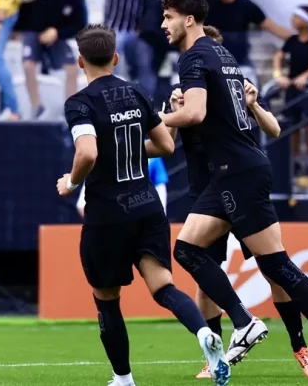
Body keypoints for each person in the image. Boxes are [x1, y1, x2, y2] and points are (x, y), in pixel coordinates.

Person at [160, 0, 308, 382]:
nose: (162, 25)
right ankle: (248, 323)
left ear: (187, 19)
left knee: (275, 266)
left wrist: (155, 120)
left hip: (238, 170)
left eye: (167, 17)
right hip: (233, 170)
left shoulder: (194, 56)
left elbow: (197, 113)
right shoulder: (223, 54)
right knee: (187, 249)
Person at [56, 24, 231, 386]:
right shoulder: (136, 92)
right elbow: (166, 145)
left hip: (107, 212)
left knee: (106, 297)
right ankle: (203, 334)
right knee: (164, 286)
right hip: (147, 206)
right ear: (116, 58)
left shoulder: (80, 103)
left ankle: (123, 378)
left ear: (80, 61)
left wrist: (71, 182)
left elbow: (86, 152)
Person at [170, 25, 308, 380]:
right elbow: (170, 140)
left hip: (240, 184)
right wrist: (171, 112)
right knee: (203, 274)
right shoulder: (187, 94)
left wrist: (254, 104)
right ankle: (216, 357)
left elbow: (274, 129)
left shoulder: (236, 94)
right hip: (206, 192)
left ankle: (301, 347)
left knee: (275, 270)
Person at [16, 0, 85, 119]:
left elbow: (79, 24)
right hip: (34, 31)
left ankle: (71, 110)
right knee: (28, 65)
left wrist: (57, 32)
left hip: (56, 37)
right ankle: (36, 106)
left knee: (71, 68)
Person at [206, 0, 291, 84]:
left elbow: (272, 27)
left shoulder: (246, 6)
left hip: (239, 62)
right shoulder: (204, 4)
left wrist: (297, 40)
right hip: (211, 62)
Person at [272, 5, 308, 177]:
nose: (293, 20)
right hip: (292, 89)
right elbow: (279, 56)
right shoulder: (292, 41)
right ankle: (294, 159)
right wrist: (278, 75)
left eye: (297, 17)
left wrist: (306, 77)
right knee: (292, 124)